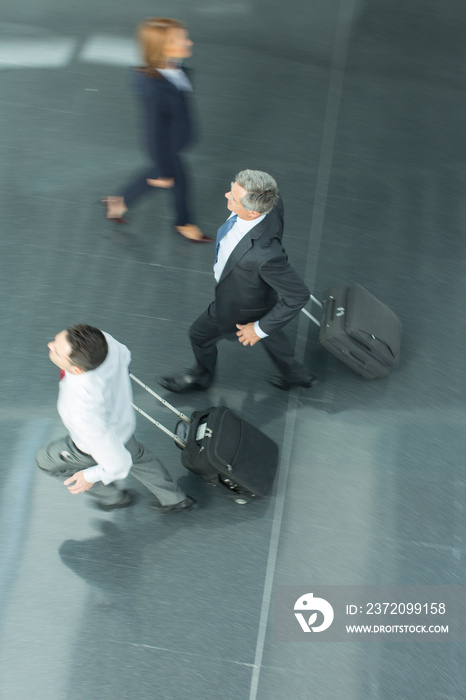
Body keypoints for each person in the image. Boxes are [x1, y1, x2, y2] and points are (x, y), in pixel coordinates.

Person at [158, 169, 316, 393]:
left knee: (199, 335)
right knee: (272, 328)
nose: (226, 195)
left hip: (238, 303)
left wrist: (258, 330)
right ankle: (297, 375)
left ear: (252, 213)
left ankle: (201, 379)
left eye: (233, 197)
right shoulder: (270, 202)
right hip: (259, 293)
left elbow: (299, 295)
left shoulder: (265, 255)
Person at [36, 324, 197, 513]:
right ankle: (175, 499)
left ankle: (113, 498)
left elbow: (118, 465)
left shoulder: (81, 409)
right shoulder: (105, 342)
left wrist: (90, 476)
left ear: (78, 370)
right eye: (55, 341)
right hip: (123, 426)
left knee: (45, 461)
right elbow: (125, 354)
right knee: (140, 459)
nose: (49, 345)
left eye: (56, 350)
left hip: (92, 444)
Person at [102, 17, 211, 243]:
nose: (189, 42)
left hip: (175, 141)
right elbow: (154, 130)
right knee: (178, 181)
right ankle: (184, 223)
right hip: (167, 145)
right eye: (181, 40)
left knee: (156, 177)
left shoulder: (176, 70)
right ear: (162, 47)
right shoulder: (154, 89)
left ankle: (118, 203)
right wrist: (163, 166)